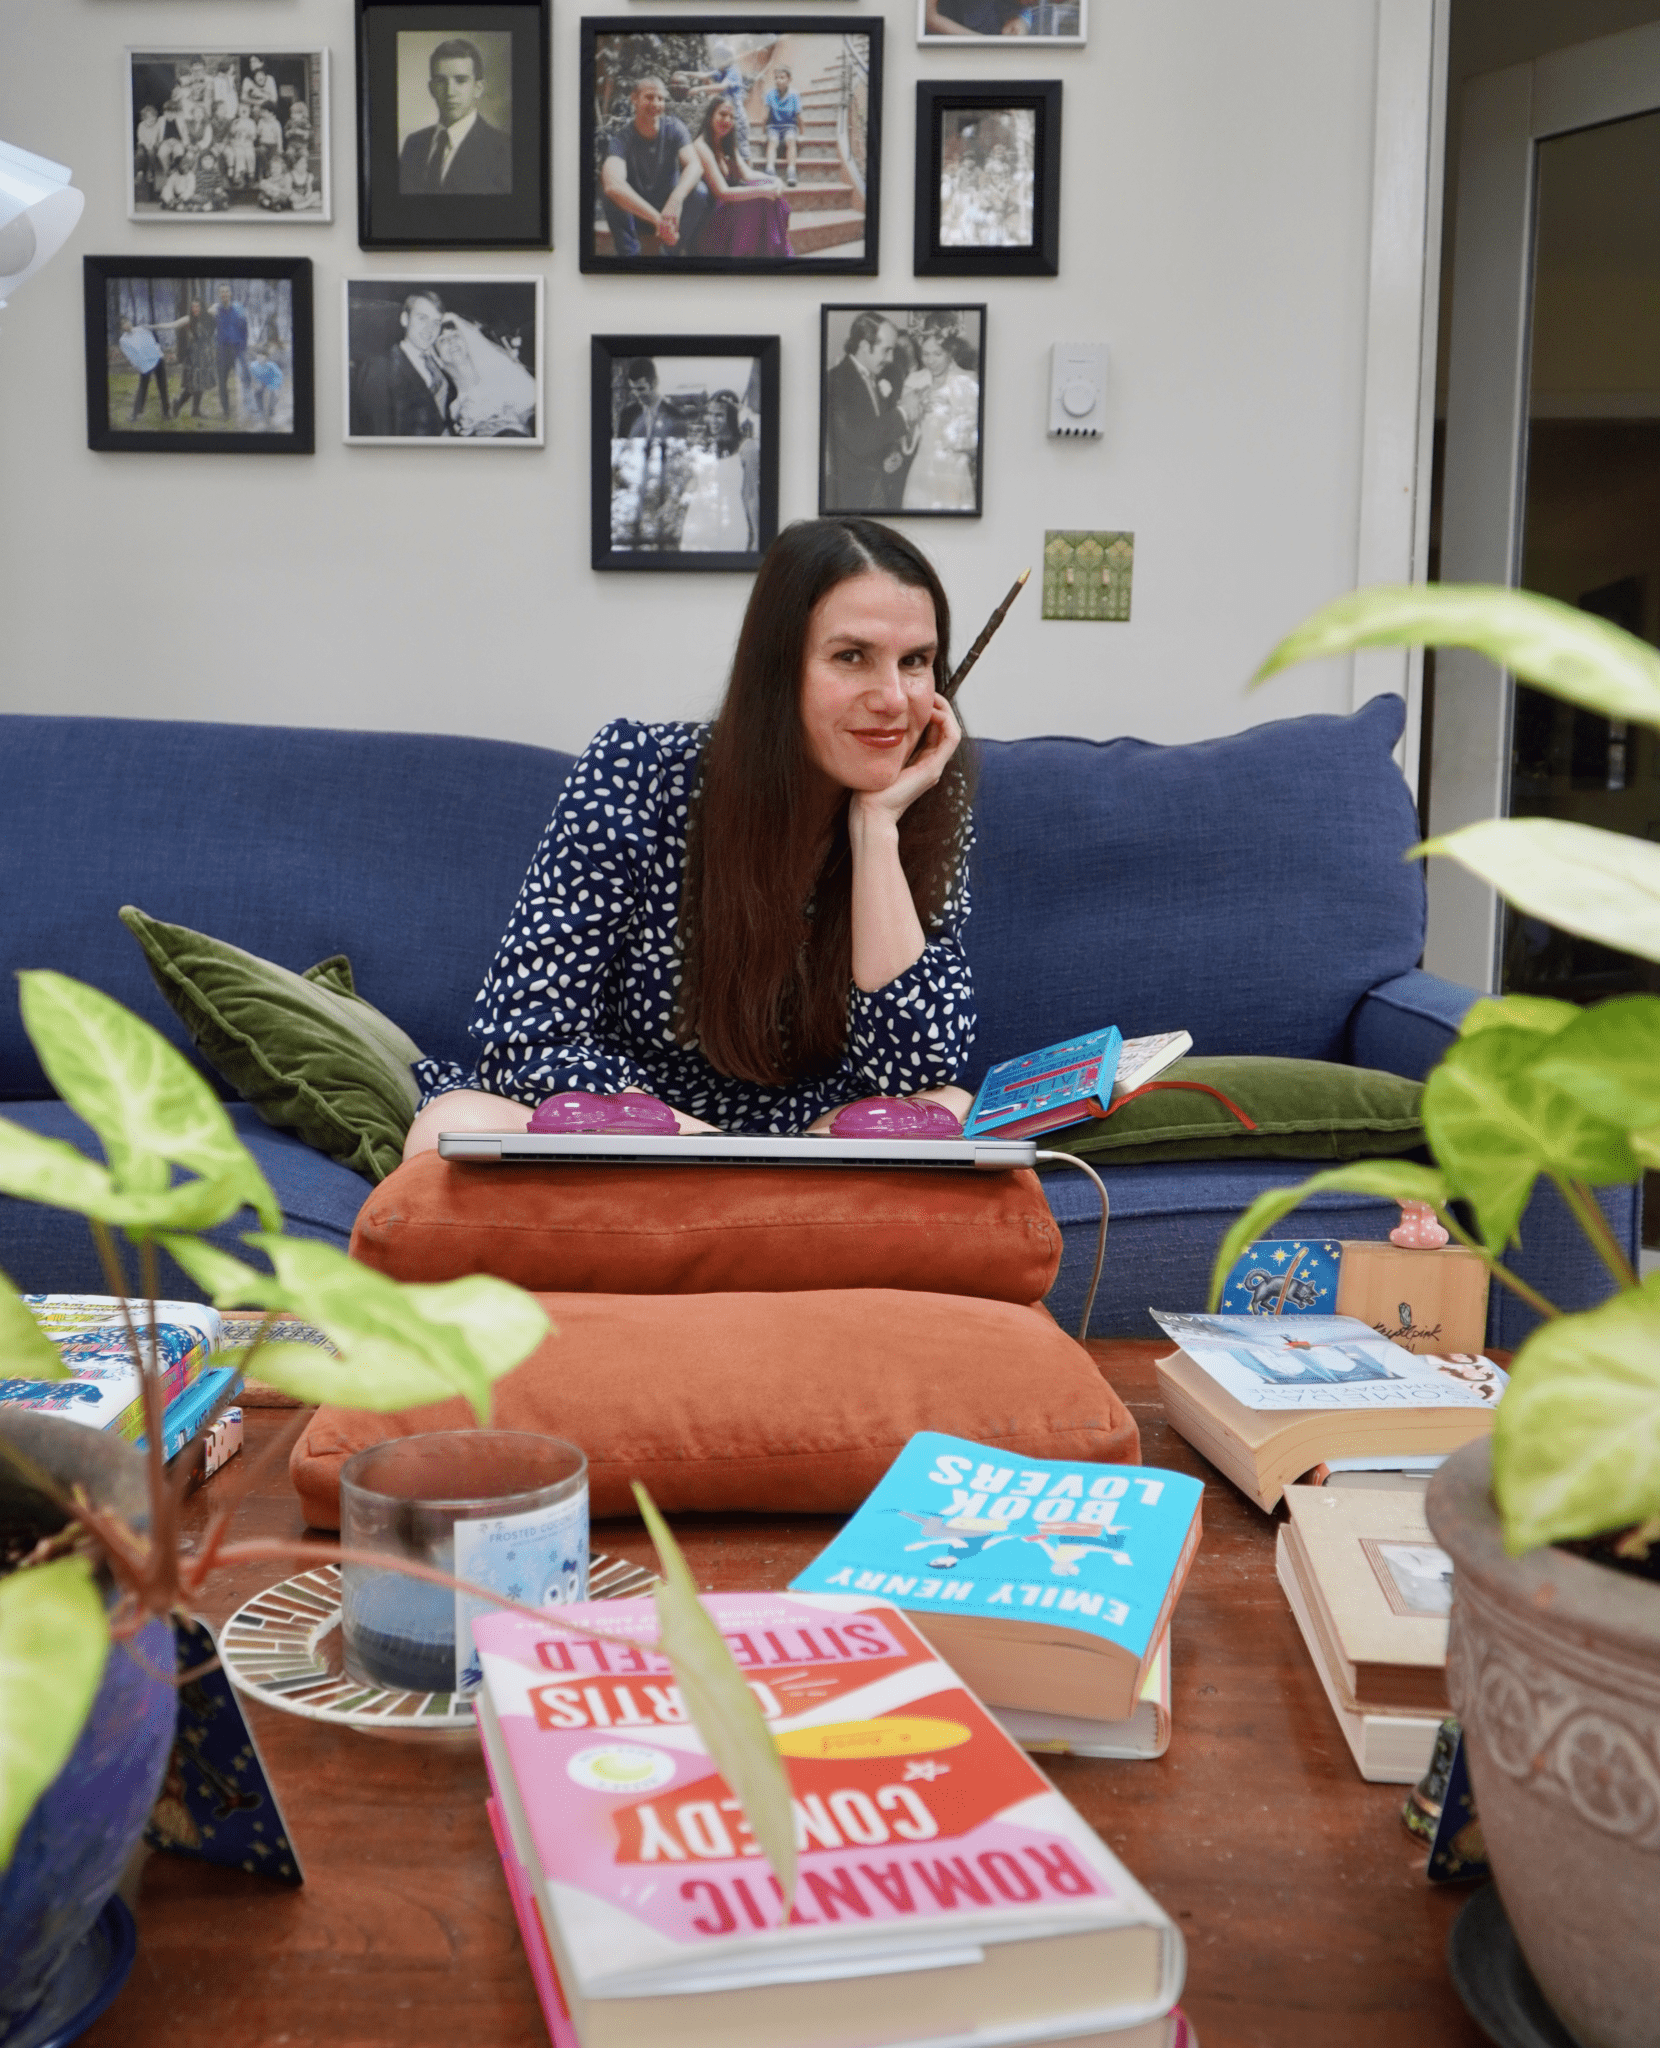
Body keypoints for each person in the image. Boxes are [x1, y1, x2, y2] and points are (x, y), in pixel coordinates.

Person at [402, 517, 976, 1158]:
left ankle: (752, 1199)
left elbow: (913, 1071)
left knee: (949, 1107)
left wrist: (875, 831)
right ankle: (757, 1202)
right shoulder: (635, 772)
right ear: (777, 669)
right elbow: (524, 1037)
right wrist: (718, 1147)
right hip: (631, 1124)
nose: (894, 699)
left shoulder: (926, 800)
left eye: (916, 661)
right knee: (447, 1129)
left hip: (817, 1135)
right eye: (852, 657)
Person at [598, 76, 709, 258]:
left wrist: (676, 199)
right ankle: (629, 254)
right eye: (649, 97)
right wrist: (658, 220)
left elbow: (695, 165)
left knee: (699, 191)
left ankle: (669, 251)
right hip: (636, 212)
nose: (656, 104)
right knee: (609, 193)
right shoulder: (622, 138)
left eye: (660, 98)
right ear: (634, 99)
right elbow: (613, 184)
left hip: (670, 210)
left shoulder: (675, 128)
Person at [397, 39, 512, 195]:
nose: (450, 92)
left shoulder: (504, 149)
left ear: (478, 89)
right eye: (441, 81)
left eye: (461, 80)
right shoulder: (414, 143)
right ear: (431, 89)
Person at [682, 96, 791, 259]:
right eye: (722, 114)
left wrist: (775, 180)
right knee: (758, 199)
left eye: (731, 117)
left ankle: (769, 253)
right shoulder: (701, 146)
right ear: (711, 115)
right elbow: (722, 192)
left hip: (727, 212)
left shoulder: (726, 144)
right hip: (710, 226)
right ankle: (768, 253)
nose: (727, 120)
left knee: (774, 198)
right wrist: (762, 191)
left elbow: (748, 174)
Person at [823, 314, 913, 512]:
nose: (890, 359)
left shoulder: (877, 376)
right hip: (850, 498)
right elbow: (857, 439)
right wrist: (903, 413)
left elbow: (874, 428)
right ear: (864, 346)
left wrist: (891, 452)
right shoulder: (836, 381)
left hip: (877, 491)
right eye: (886, 350)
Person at [900, 322, 980, 511]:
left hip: (954, 470)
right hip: (923, 466)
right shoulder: (914, 381)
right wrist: (914, 415)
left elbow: (975, 437)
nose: (930, 361)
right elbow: (905, 436)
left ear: (950, 353)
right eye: (925, 354)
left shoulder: (968, 380)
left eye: (937, 354)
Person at [354, 289, 454, 437]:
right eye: (422, 318)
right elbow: (378, 431)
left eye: (436, 322)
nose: (430, 329)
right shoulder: (380, 366)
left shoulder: (439, 365)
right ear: (405, 320)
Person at [433, 310, 537, 437]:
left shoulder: (500, 373)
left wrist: (515, 423)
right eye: (442, 340)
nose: (451, 342)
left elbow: (533, 404)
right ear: (437, 356)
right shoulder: (450, 403)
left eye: (455, 336)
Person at [678, 394, 748, 550]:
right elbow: (695, 482)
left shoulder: (745, 448)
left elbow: (750, 495)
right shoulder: (704, 448)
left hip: (730, 520)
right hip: (697, 521)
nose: (712, 419)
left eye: (719, 415)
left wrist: (756, 535)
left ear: (731, 417)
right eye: (709, 414)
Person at [117, 316, 171, 423]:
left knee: (163, 386)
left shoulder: (141, 329)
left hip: (157, 360)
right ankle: (135, 415)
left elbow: (153, 342)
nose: (126, 325)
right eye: (123, 324)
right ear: (121, 327)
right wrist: (140, 366)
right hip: (144, 365)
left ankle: (166, 413)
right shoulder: (123, 340)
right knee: (142, 388)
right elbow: (130, 356)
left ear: (129, 321)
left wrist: (159, 354)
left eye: (126, 321)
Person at [212, 283, 250, 418]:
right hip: (222, 350)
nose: (224, 294)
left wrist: (243, 347)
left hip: (237, 350)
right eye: (222, 292)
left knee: (246, 377)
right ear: (219, 295)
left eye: (227, 291)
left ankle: (249, 406)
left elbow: (245, 329)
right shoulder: (216, 311)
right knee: (222, 382)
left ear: (230, 294)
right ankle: (226, 411)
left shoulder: (238, 310)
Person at [762, 66, 800, 187]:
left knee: (790, 141)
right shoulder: (770, 93)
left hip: (789, 126)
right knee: (773, 142)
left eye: (782, 77)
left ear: (789, 79)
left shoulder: (794, 95)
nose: (778, 80)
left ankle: (791, 171)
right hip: (773, 126)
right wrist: (763, 133)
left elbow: (799, 116)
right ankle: (770, 170)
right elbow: (766, 115)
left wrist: (802, 133)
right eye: (776, 78)